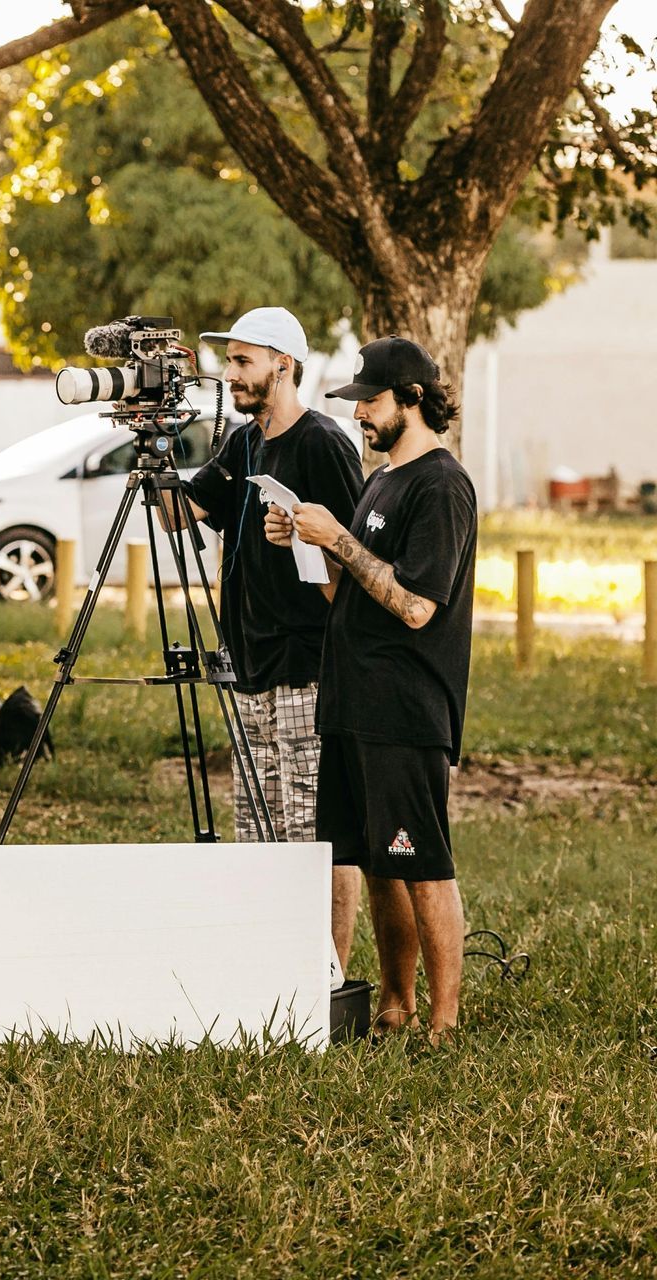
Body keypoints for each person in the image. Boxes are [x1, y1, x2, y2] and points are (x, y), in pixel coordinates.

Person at [265, 336, 475, 1041]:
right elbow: (348, 595)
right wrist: (306, 541)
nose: (359, 416)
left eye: (371, 402)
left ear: (412, 398)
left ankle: (443, 1024)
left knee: (424, 866)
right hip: (351, 704)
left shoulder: (441, 486)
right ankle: (394, 1004)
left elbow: (417, 605)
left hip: (405, 709)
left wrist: (344, 542)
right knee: (379, 863)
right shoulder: (382, 479)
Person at [169, 307, 366, 966]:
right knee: (258, 826)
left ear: (284, 364)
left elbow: (357, 556)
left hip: (309, 660)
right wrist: (153, 449)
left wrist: (310, 535)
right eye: (229, 361)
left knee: (313, 827)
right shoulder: (243, 443)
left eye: (242, 361)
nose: (231, 374)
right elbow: (180, 513)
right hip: (247, 660)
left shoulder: (323, 443)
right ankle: (265, 964)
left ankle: (328, 974)